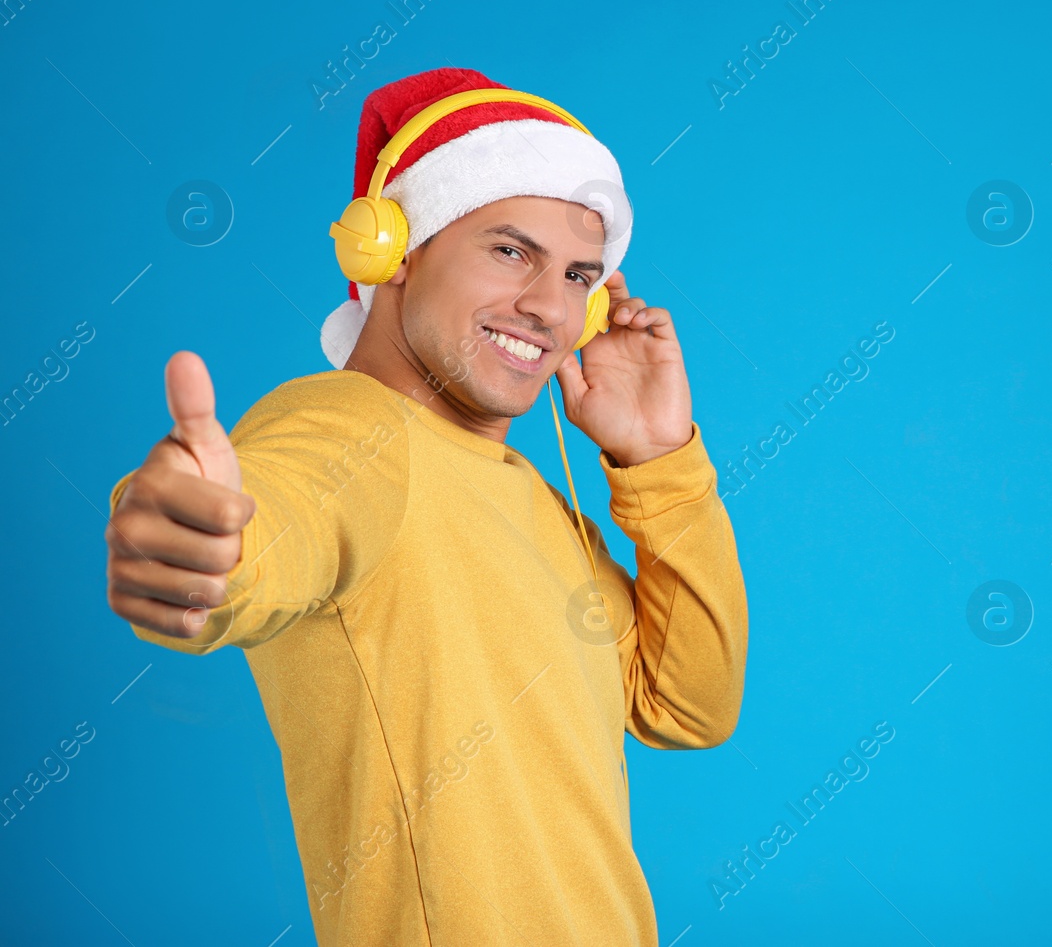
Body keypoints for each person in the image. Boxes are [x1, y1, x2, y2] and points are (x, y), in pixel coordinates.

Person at [101, 67, 749, 945]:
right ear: (393, 248)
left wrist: (658, 457)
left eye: (578, 276)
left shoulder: (536, 499)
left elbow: (689, 704)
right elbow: (269, 523)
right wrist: (191, 543)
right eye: (511, 250)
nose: (548, 306)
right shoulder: (347, 430)